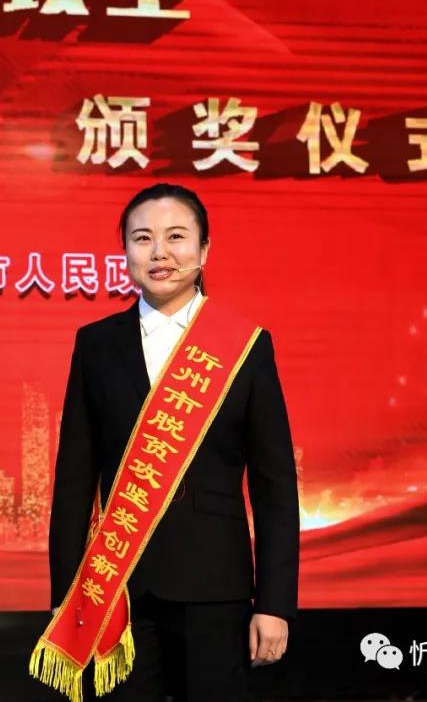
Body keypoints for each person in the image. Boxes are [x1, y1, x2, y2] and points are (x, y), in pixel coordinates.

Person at [34, 183, 299, 702]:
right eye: (142, 238)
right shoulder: (96, 343)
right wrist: (67, 597)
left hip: (215, 585)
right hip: (118, 587)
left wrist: (275, 603)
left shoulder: (244, 345)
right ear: (125, 252)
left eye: (176, 237)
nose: (159, 253)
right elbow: (74, 480)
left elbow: (275, 486)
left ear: (204, 250)